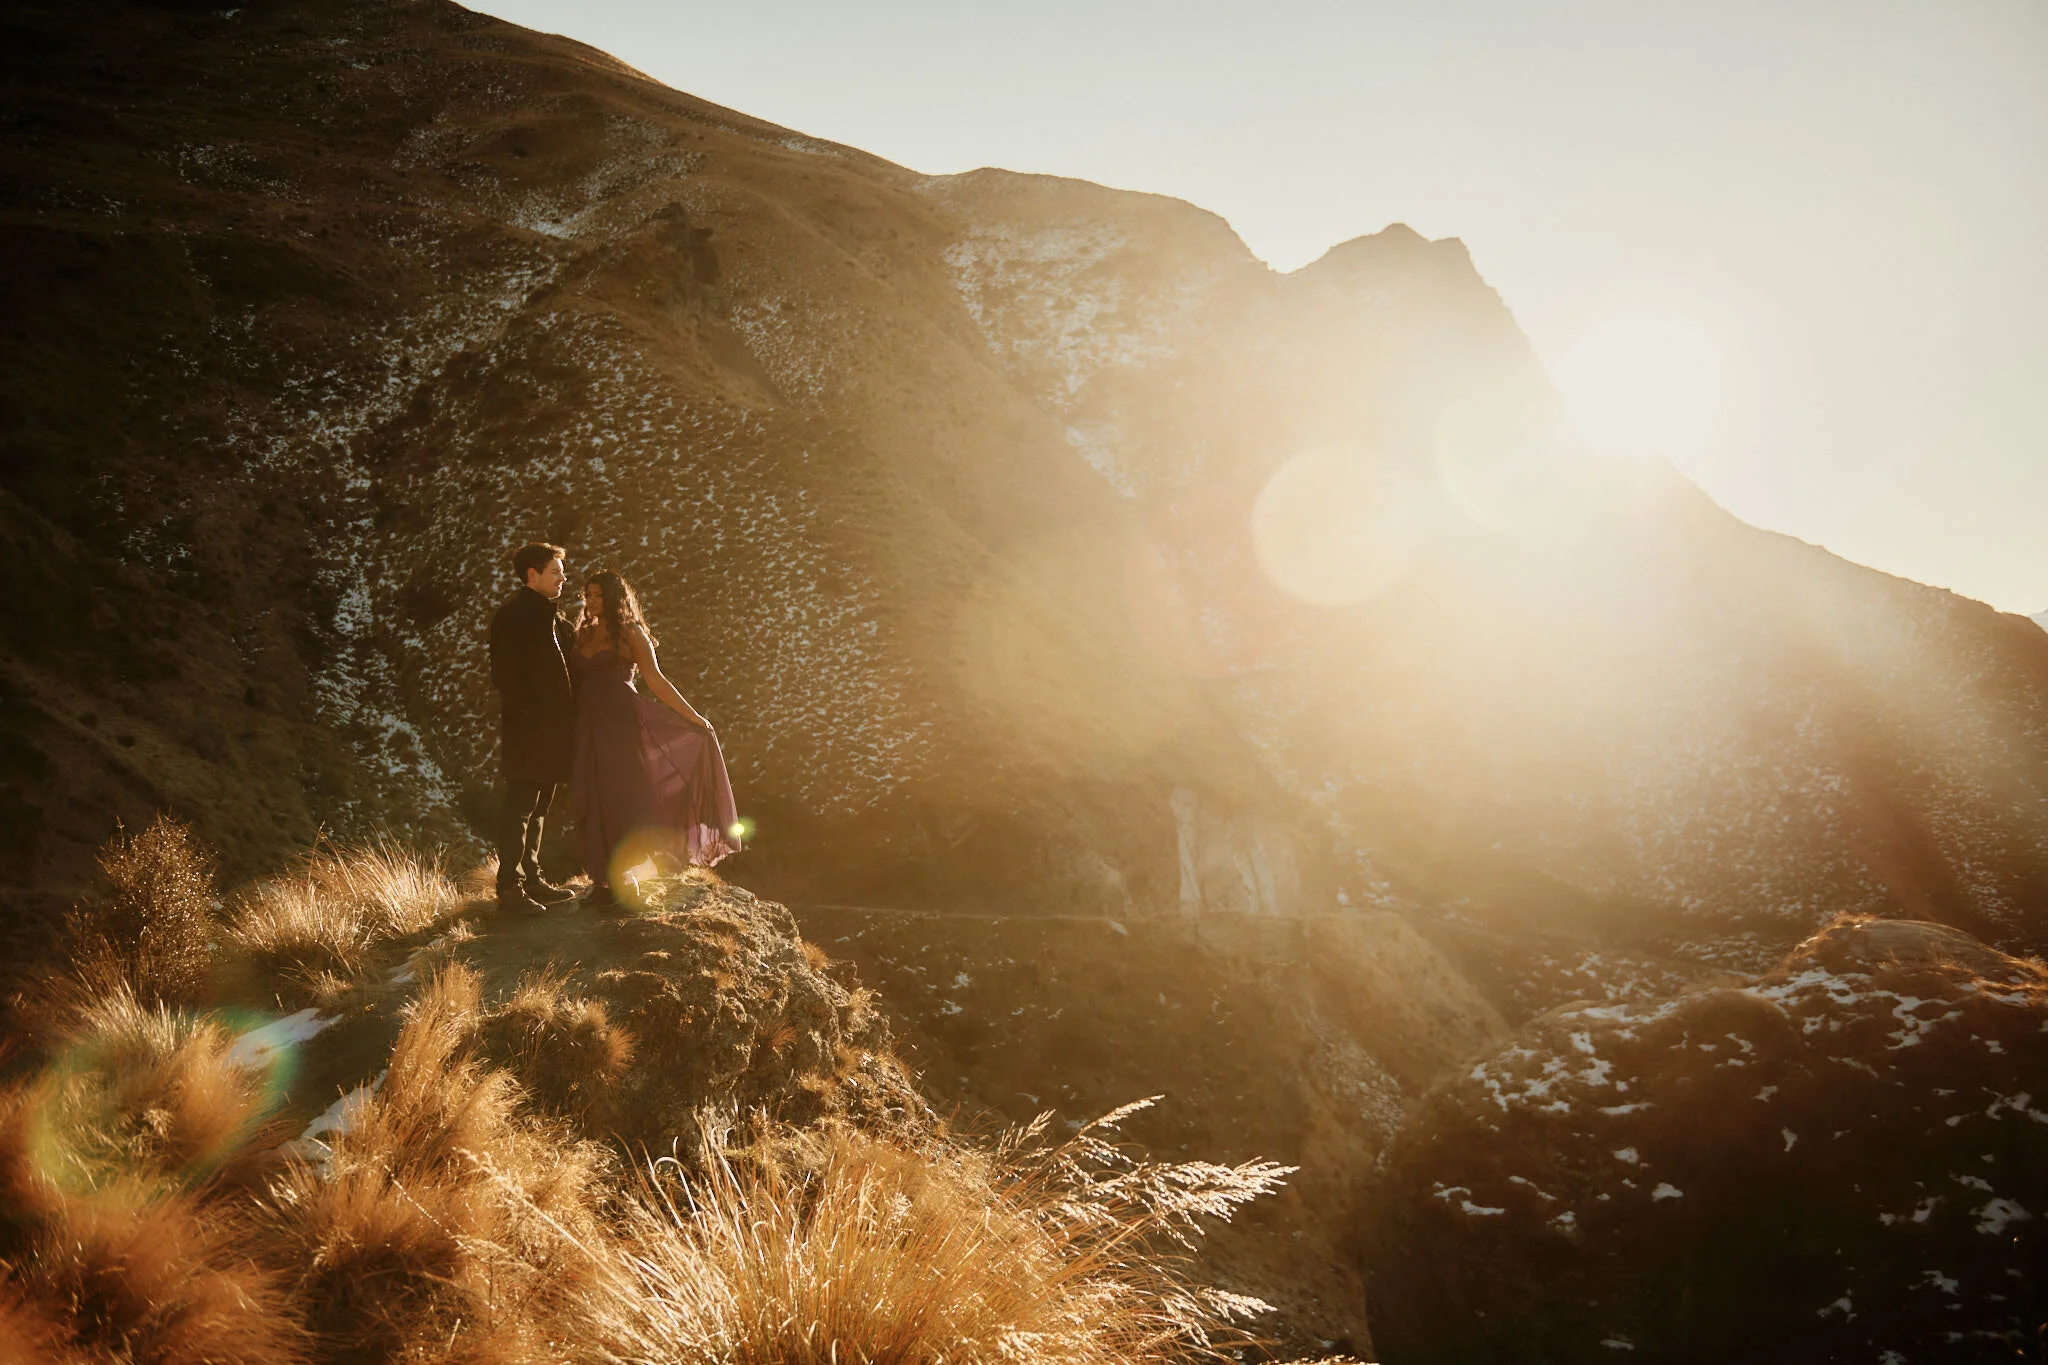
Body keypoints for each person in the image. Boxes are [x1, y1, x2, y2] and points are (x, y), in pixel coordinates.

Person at [570, 570, 741, 907]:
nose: (591, 601)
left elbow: (656, 680)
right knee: (591, 798)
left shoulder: (631, 633)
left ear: (614, 597)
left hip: (621, 725)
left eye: (598, 595)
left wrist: (694, 717)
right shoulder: (584, 632)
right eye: (587, 594)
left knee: (621, 799)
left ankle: (624, 878)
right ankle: (602, 880)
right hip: (587, 726)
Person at [488, 542, 578, 915]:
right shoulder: (513, 616)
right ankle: (510, 888)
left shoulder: (554, 618)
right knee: (520, 807)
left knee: (540, 806)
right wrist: (530, 717)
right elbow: (505, 675)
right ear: (532, 575)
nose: (563, 579)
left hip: (552, 732)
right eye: (555, 572)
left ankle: (532, 879)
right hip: (528, 731)